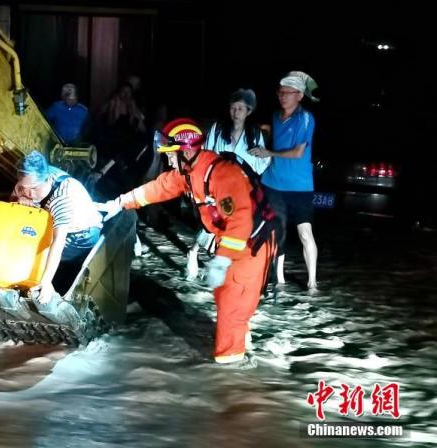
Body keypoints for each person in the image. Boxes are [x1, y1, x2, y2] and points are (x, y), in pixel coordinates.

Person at [98, 118, 278, 364]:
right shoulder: (191, 172)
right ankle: (239, 345)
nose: (168, 159)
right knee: (228, 299)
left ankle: (231, 368)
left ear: (187, 151)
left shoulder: (224, 174)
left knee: (232, 303)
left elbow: (240, 221)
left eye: (171, 154)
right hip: (234, 242)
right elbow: (159, 187)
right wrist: (119, 203)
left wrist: (222, 261)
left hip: (251, 244)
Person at [187, 88, 271, 279]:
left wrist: (258, 159)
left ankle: (223, 263)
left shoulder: (254, 133)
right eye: (233, 108)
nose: (236, 112)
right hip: (217, 185)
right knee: (213, 222)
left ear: (248, 111)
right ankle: (194, 251)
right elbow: (206, 154)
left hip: (242, 187)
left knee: (234, 224)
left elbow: (261, 163)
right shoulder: (217, 129)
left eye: (241, 108)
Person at [249, 71, 319, 290]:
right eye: (280, 92)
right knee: (275, 230)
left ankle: (312, 283)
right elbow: (276, 136)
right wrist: (263, 132)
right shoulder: (275, 116)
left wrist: (268, 153)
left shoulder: (305, 118)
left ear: (299, 95)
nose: (283, 96)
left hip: (300, 187)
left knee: (305, 233)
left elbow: (298, 152)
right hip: (273, 183)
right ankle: (275, 277)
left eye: (288, 93)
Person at [13, 151, 103, 303]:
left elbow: (58, 241)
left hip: (82, 236)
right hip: (58, 220)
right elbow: (17, 191)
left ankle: (58, 277)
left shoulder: (62, 200)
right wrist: (19, 197)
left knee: (43, 254)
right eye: (24, 187)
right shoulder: (35, 175)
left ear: (47, 179)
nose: (29, 193)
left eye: (34, 189)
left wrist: (46, 281)